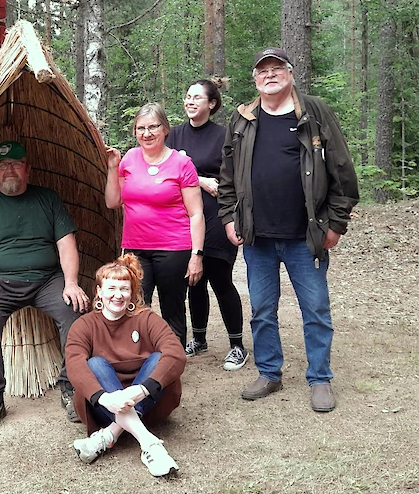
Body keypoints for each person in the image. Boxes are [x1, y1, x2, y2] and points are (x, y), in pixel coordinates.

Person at [218, 47, 359, 412]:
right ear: (255, 78)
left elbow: (342, 170)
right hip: (258, 237)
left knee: (315, 308)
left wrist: (337, 223)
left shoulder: (314, 111)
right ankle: (269, 372)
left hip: (305, 235)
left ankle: (320, 378)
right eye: (262, 70)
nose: (269, 74)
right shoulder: (243, 118)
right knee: (262, 309)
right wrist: (230, 218)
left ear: (290, 73)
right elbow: (228, 175)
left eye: (276, 68)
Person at [0, 141, 90, 435]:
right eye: (3, 165)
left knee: (75, 311)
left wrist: (70, 283)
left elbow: (66, 243)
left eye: (16, 164)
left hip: (46, 280)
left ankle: (71, 388)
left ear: (28, 169)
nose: (10, 170)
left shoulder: (47, 199)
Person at [65, 254, 185, 477]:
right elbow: (73, 363)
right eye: (111, 288)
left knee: (159, 358)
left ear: (133, 293)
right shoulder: (84, 325)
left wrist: (140, 391)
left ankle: (108, 436)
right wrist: (105, 398)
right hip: (104, 407)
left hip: (149, 403)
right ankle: (150, 443)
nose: (117, 296)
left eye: (124, 289)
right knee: (95, 364)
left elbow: (176, 353)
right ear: (99, 292)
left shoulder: (147, 318)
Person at [105, 103, 205, 348]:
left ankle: (173, 359)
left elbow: (196, 214)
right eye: (141, 128)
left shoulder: (181, 164)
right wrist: (111, 168)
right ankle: (138, 357)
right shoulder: (129, 159)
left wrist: (196, 256)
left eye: (153, 127)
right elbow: (112, 201)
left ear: (165, 129)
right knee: (135, 305)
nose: (147, 133)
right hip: (135, 248)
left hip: (173, 247)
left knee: (172, 307)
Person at [167, 79, 249, 370]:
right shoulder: (173, 135)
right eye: (187, 96)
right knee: (193, 280)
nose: (190, 102)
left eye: (197, 98)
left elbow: (234, 177)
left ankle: (237, 345)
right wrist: (200, 180)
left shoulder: (223, 136)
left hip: (216, 214)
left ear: (211, 104)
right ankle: (199, 339)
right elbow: (165, 170)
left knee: (219, 277)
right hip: (183, 217)